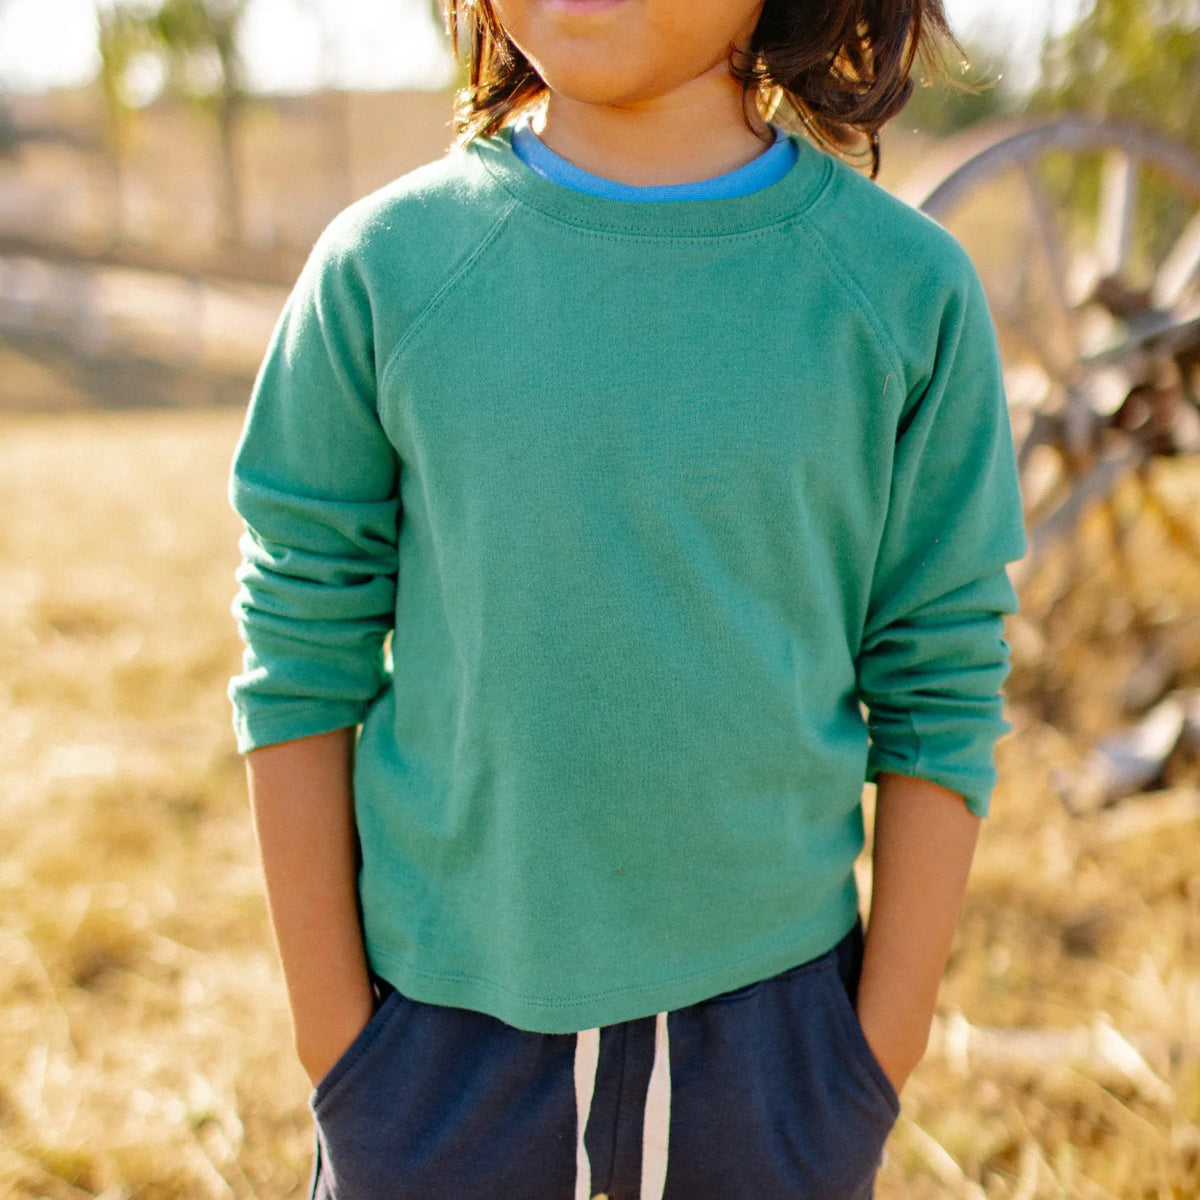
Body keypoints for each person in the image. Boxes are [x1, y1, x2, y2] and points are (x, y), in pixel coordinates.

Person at [227, 0, 1028, 1196]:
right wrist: (341, 1049)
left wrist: (873, 1055)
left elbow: (939, 679)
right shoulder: (383, 271)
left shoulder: (900, 292)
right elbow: (301, 647)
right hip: (430, 1048)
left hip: (778, 1056)